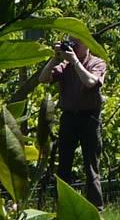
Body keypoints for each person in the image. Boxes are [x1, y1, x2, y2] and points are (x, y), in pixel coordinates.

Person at [33, 36, 108, 207]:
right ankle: (64, 207)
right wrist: (55, 57)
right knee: (64, 165)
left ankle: (96, 208)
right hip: (68, 117)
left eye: (77, 43)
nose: (74, 46)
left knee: (91, 165)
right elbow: (43, 79)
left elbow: (91, 82)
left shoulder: (97, 63)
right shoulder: (64, 65)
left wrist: (75, 61)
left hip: (90, 118)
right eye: (71, 42)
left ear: (87, 44)